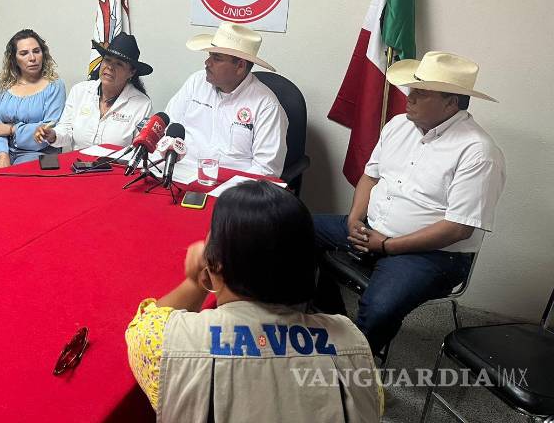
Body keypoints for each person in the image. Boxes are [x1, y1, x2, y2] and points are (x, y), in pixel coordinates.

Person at [126, 180, 381, 421]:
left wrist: (196, 281)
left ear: (214, 262)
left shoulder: (166, 344)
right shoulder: (352, 342)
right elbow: (373, 406)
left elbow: (146, 325)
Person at [314, 52, 505, 356]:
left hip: (432, 254)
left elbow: (458, 229)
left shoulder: (478, 152)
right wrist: (354, 219)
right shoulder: (398, 125)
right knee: (289, 227)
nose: (409, 97)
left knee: (380, 308)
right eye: (412, 88)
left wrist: (387, 245)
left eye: (421, 92)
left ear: (451, 103)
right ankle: (331, 319)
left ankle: (353, 367)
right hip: (371, 229)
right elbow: (369, 177)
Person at [165, 22, 288, 176]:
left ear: (240, 66)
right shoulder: (196, 82)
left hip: (232, 185)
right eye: (209, 55)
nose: (207, 62)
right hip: (179, 174)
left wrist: (229, 189)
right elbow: (167, 127)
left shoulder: (266, 105)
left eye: (216, 58)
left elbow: (266, 170)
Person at [0, 29, 65, 176]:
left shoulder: (54, 85)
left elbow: (47, 129)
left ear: (43, 54)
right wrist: (3, 155)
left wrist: (11, 129)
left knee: (13, 183)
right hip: (1, 148)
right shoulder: (4, 85)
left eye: (36, 51)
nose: (32, 58)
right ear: (14, 59)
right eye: (24, 53)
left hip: (38, 151)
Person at [35, 33, 152, 150]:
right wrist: (53, 135)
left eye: (119, 64)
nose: (110, 67)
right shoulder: (79, 91)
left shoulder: (142, 104)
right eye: (107, 60)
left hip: (118, 161)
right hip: (78, 160)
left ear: (131, 72)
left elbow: (141, 149)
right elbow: (66, 130)